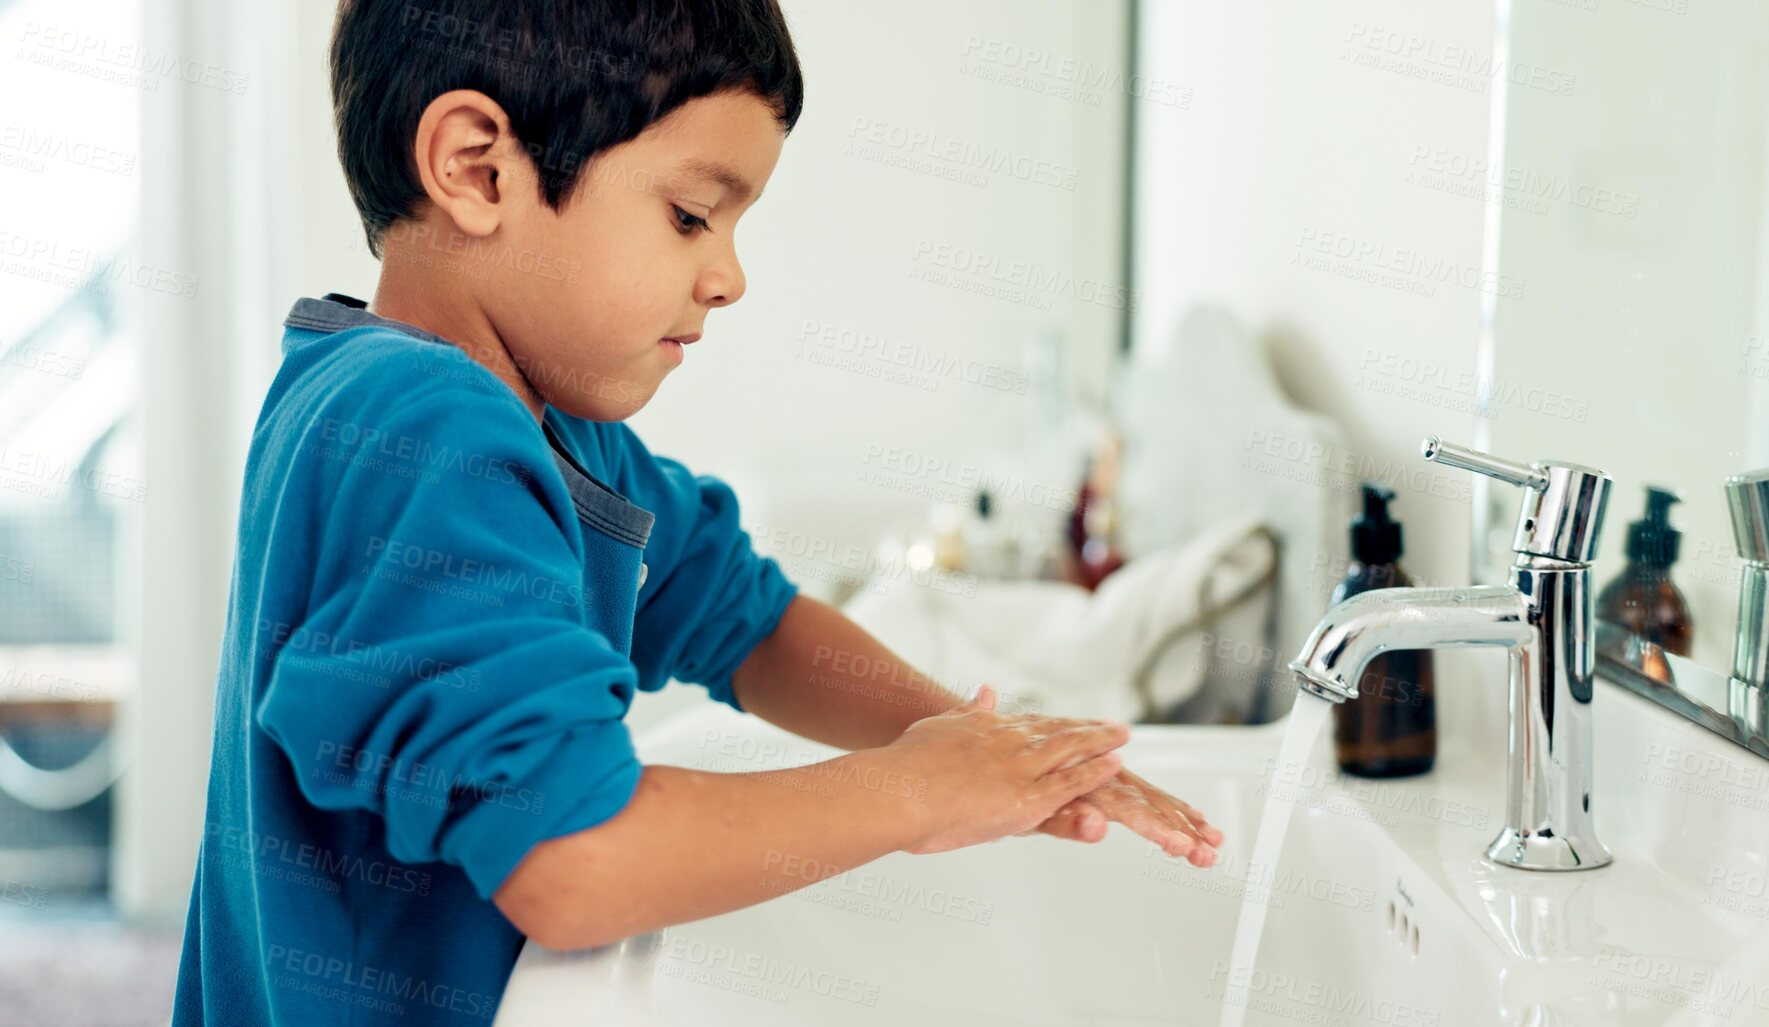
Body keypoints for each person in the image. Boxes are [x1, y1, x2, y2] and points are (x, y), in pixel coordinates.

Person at [172, 2, 1223, 1022]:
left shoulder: (515, 422)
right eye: (690, 215)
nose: (727, 276)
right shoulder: (429, 434)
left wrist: (967, 744)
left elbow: (741, 615)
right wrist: (915, 790)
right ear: (477, 169)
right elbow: (571, 858)